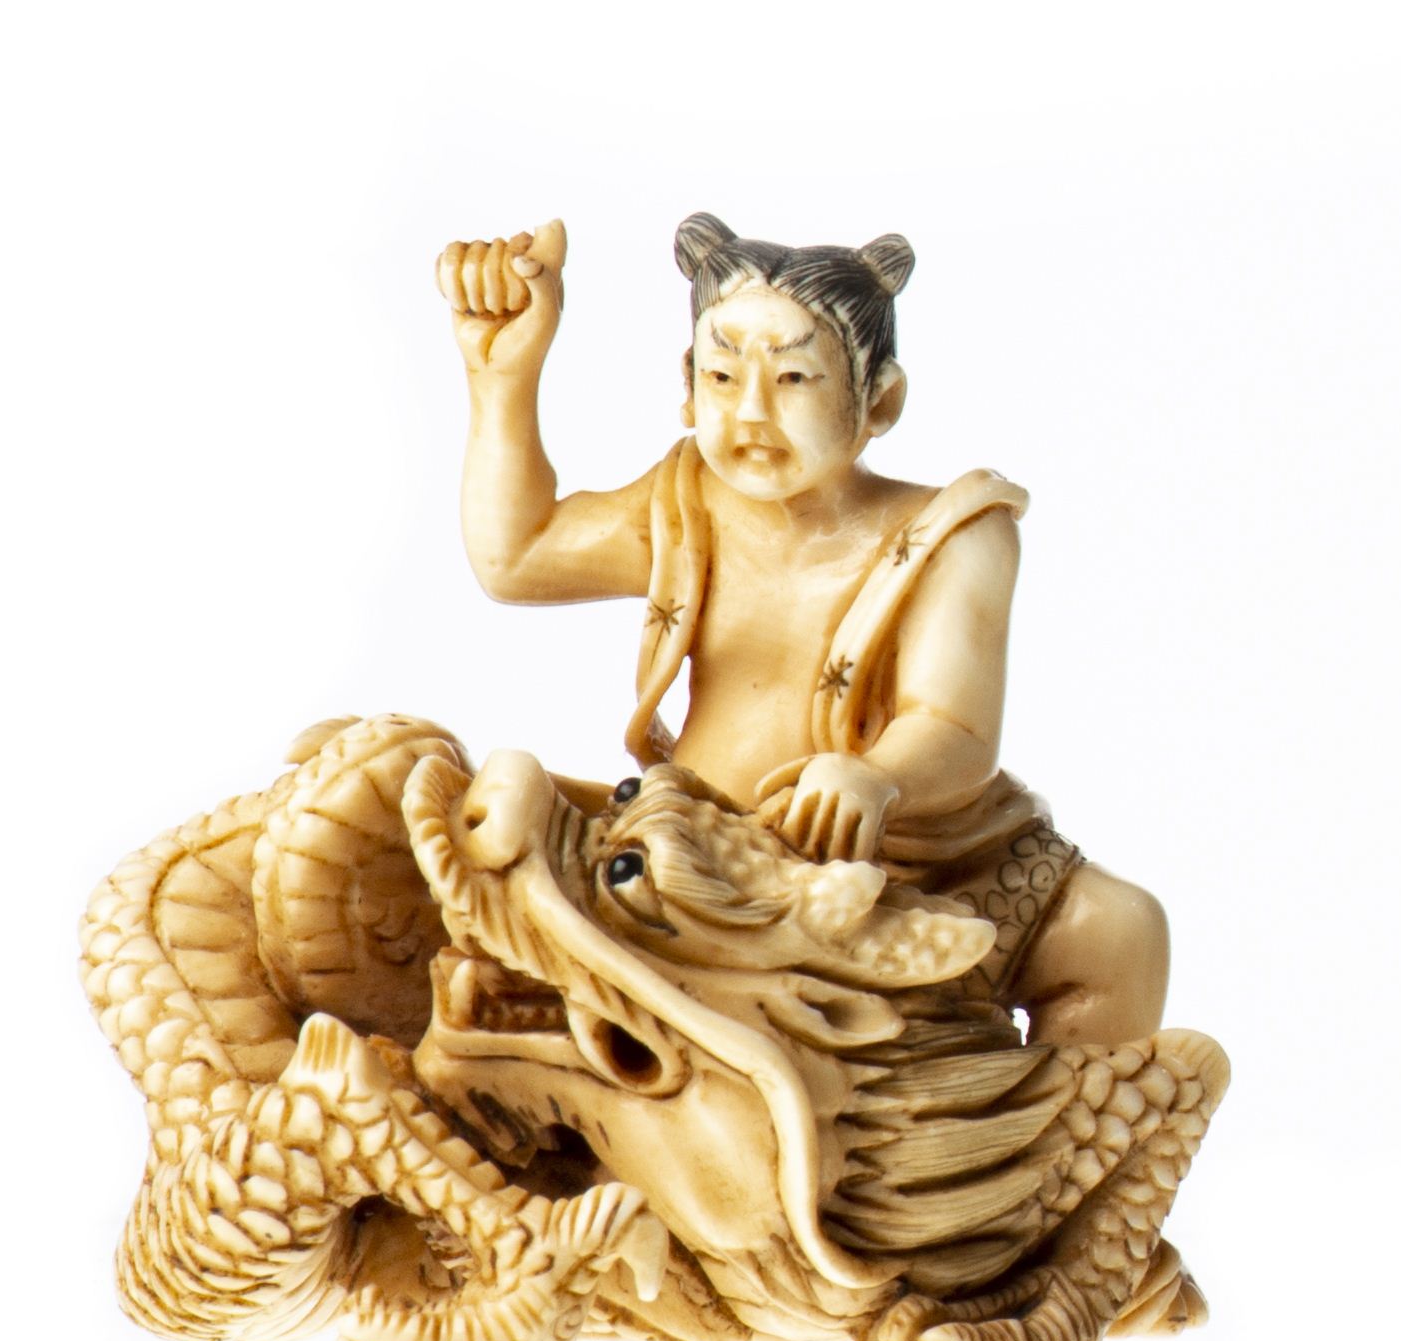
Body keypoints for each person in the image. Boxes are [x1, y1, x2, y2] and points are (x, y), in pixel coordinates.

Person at [436, 214, 1170, 1046]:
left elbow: (953, 726)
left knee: (1118, 931)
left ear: (879, 399)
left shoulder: (955, 533)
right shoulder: (684, 502)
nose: (750, 411)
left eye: (792, 379)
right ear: (688, 386)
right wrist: (502, 378)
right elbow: (517, 559)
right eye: (721, 376)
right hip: (697, 847)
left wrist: (875, 776)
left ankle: (1039, 1124)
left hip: (901, 851)